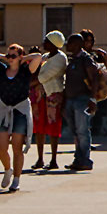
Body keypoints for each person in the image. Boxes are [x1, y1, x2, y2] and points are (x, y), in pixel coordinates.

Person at [0, 43, 42, 191]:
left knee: (17, 146)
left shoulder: (25, 70)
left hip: (20, 109)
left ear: (20, 57)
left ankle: (16, 178)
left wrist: (23, 58)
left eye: (13, 56)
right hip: (4, 108)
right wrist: (3, 57)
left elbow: (38, 57)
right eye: (9, 55)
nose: (10, 58)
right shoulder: (2, 69)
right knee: (1, 146)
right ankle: (7, 169)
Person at [30, 31, 67, 170]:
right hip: (40, 95)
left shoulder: (60, 58)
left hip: (53, 95)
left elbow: (44, 76)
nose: (43, 43)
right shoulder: (45, 56)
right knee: (39, 126)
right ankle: (40, 158)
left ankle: (53, 159)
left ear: (53, 43)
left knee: (53, 126)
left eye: (46, 41)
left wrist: (29, 84)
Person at [61, 33, 97, 171]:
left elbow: (94, 78)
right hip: (70, 100)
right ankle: (78, 159)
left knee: (82, 131)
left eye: (70, 43)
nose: (67, 45)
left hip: (82, 100)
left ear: (77, 44)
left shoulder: (85, 59)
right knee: (76, 132)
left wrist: (92, 99)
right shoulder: (72, 60)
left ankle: (85, 161)